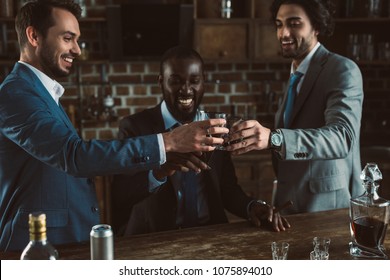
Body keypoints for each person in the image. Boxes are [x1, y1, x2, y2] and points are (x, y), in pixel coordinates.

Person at [0, 0, 227, 252]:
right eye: (67, 38)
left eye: (77, 39)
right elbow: (73, 155)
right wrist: (169, 141)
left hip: (62, 240)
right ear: (34, 36)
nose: (76, 49)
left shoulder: (39, 91)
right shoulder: (16, 94)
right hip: (34, 248)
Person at [111, 45, 290, 236]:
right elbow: (121, 194)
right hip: (154, 239)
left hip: (210, 235)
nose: (186, 90)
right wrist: (159, 172)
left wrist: (252, 206)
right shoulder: (135, 127)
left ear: (204, 82)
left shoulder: (216, 128)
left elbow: (227, 190)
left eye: (194, 81)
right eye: (176, 81)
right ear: (161, 82)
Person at [227, 0, 364, 214]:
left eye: (294, 23)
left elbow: (342, 137)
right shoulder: (296, 73)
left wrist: (274, 138)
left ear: (317, 26)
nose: (284, 33)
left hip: (327, 208)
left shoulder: (342, 69)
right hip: (290, 204)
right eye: (279, 24)